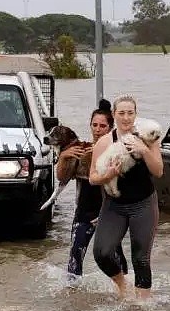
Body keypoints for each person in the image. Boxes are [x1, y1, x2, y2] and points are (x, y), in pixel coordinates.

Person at [90, 95, 164, 300]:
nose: (126, 117)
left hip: (143, 204)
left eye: (130, 113)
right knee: (102, 252)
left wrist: (143, 150)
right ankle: (123, 285)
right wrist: (108, 175)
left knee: (140, 258)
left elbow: (158, 171)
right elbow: (92, 178)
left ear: (135, 115)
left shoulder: (149, 137)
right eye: (121, 113)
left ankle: (142, 306)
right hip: (114, 205)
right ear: (114, 116)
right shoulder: (104, 142)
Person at [61, 99, 128, 284]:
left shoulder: (118, 152)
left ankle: (125, 292)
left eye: (102, 126)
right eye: (94, 125)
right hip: (84, 212)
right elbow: (62, 178)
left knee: (115, 256)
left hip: (109, 214)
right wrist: (63, 157)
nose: (98, 129)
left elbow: (123, 189)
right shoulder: (81, 150)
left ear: (110, 128)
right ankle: (72, 297)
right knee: (75, 257)